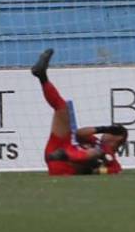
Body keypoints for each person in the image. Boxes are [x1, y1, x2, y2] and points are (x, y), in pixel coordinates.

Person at [31, 48, 127, 176]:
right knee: (62, 108)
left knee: (97, 152)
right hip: (57, 150)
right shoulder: (96, 142)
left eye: (112, 132)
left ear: (118, 139)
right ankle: (42, 76)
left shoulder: (110, 156)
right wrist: (104, 128)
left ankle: (65, 155)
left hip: (66, 166)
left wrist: (94, 168)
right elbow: (79, 133)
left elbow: (115, 171)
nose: (107, 133)